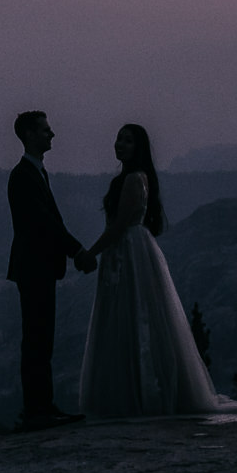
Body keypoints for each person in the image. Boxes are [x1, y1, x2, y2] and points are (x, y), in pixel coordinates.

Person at [76, 123, 222, 417]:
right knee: (127, 318)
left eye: (127, 141)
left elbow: (119, 226)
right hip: (124, 253)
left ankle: (139, 394)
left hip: (128, 253)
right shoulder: (129, 178)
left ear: (138, 147)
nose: (120, 144)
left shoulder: (133, 179)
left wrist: (90, 252)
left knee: (134, 317)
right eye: (118, 138)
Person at [6, 110, 91, 430]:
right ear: (29, 135)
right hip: (34, 269)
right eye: (45, 130)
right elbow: (46, 224)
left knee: (41, 340)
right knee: (37, 341)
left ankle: (42, 407)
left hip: (37, 269)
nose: (51, 134)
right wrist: (77, 251)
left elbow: (48, 224)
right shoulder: (23, 176)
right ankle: (38, 410)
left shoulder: (35, 173)